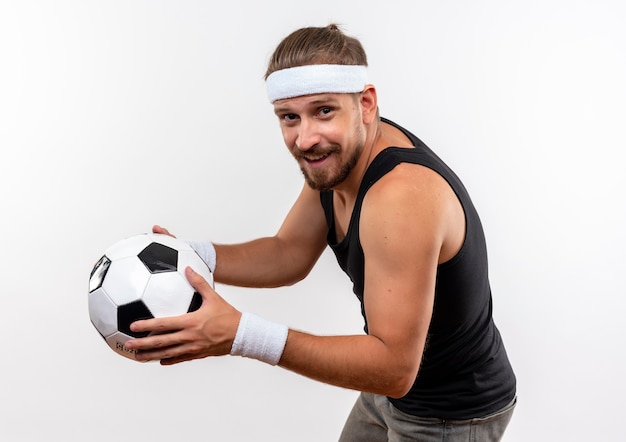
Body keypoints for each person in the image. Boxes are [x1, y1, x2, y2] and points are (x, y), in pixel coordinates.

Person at [125, 24, 517, 441]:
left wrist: (241, 334)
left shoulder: (400, 198)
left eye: (324, 111)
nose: (306, 138)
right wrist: (188, 255)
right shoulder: (341, 157)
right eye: (289, 118)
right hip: (390, 389)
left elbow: (394, 369)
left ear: (365, 104)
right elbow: (287, 252)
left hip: (450, 413)